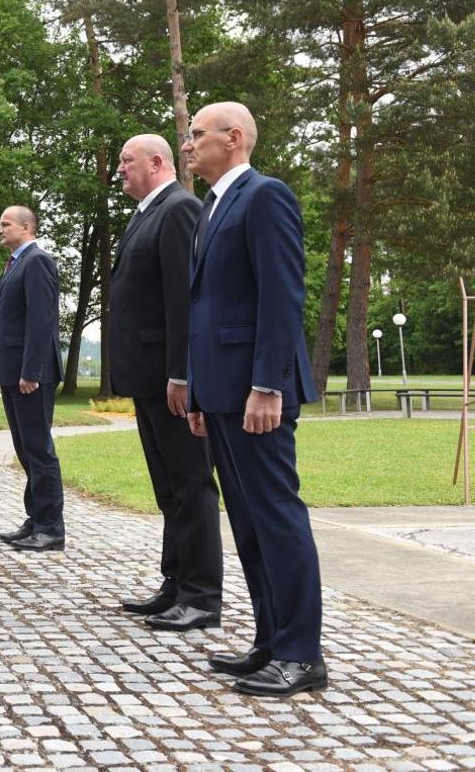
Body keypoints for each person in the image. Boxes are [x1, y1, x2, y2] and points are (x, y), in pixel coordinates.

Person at [181, 101, 325, 697]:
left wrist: (267, 385)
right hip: (220, 392)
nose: (187, 145)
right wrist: (196, 389)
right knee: (247, 522)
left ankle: (301, 653)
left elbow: (282, 296)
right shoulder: (213, 207)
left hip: (255, 393)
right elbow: (204, 309)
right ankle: (270, 639)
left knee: (277, 516)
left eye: (196, 135)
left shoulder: (265, 196)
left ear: (233, 138)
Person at [106, 134, 223, 631]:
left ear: (157, 163)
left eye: (127, 162)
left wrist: (182, 373)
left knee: (190, 483)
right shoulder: (146, 213)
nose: (119, 170)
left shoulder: (178, 209)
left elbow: (183, 299)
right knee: (168, 488)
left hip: (168, 377)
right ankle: (175, 583)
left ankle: (201, 595)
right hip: (148, 376)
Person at [0, 205, 66, 552]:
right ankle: (36, 518)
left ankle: (51, 527)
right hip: (12, 372)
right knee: (25, 448)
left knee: (38, 449)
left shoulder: (37, 261)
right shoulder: (16, 263)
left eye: (6, 224)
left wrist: (31, 371)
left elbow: (42, 319)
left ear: (26, 227)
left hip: (30, 374)